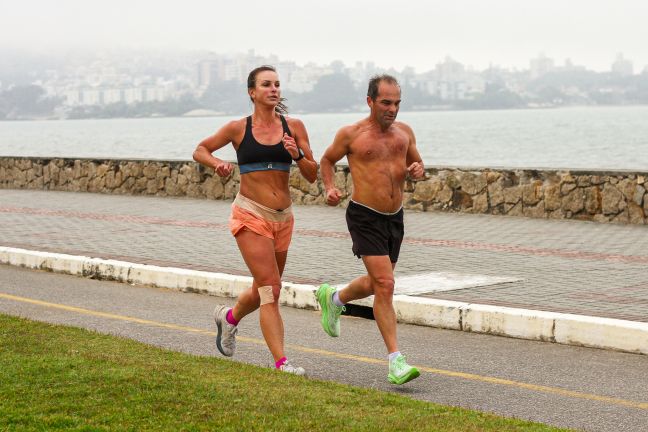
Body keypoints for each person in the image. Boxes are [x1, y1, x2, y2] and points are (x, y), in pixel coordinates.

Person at [193, 65, 317, 375]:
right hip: (250, 213)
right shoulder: (238, 128)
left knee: (264, 286)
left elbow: (313, 175)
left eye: (277, 84)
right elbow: (200, 149)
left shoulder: (295, 126)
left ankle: (230, 318)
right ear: (252, 92)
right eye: (266, 85)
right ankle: (281, 362)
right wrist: (217, 162)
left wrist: (298, 155)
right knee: (270, 288)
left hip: (283, 219)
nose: (274, 89)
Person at [317, 74, 425, 385]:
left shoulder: (404, 133)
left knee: (379, 282)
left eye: (397, 103)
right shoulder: (352, 134)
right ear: (370, 102)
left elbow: (418, 167)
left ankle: (334, 298)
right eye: (386, 103)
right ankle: (396, 361)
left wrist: (417, 171)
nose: (393, 109)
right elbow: (327, 160)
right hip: (364, 215)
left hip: (395, 217)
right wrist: (329, 188)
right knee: (386, 284)